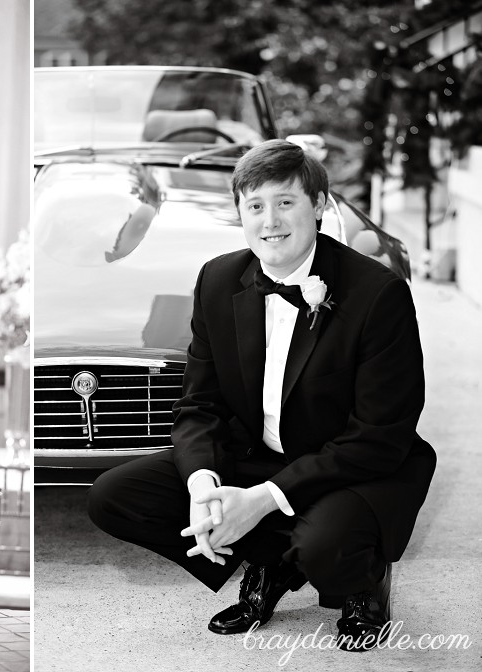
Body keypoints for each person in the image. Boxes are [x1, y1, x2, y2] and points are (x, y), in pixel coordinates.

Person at [88, 139, 436, 651]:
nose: (269, 220)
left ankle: (364, 581)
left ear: (318, 206)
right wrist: (204, 485)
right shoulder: (218, 279)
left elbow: (379, 436)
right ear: (240, 215)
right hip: (259, 456)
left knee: (325, 546)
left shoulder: (378, 294)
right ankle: (271, 564)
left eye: (285, 202)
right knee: (114, 497)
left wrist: (259, 502)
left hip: (353, 469)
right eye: (254, 206)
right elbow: (199, 404)